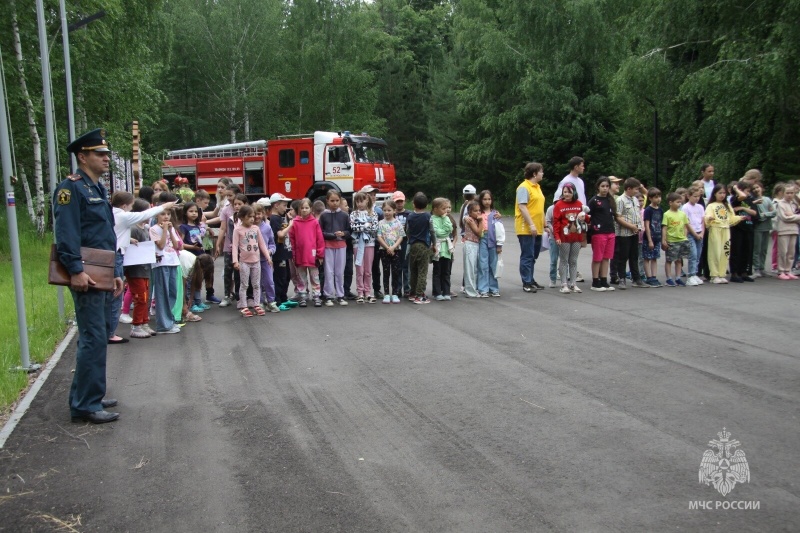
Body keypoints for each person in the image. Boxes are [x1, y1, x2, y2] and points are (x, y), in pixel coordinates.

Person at [53, 129, 122, 424]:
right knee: (93, 337)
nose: (106, 158)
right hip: (87, 274)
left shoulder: (97, 189)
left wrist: (116, 271)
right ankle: (85, 404)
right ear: (82, 157)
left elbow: (105, 234)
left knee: (99, 334)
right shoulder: (71, 189)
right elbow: (67, 234)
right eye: (99, 154)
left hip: (103, 271)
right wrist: (76, 270)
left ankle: (90, 393)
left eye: (106, 154)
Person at [111, 192, 175, 342]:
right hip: (135, 267)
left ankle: (143, 322)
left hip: (144, 266)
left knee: (145, 297)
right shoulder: (128, 222)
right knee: (139, 297)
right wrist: (164, 206)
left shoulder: (142, 228)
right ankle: (136, 325)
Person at [233, 205, 272, 316]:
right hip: (244, 262)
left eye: (253, 216)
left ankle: (256, 304)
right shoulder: (238, 230)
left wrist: (268, 258)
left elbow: (262, 244)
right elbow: (235, 246)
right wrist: (235, 261)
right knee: (244, 284)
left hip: (256, 261)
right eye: (249, 216)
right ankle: (244, 306)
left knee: (256, 284)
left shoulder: (256, 228)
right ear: (242, 217)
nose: (252, 219)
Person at [150, 205, 183, 332]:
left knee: (172, 292)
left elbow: (176, 246)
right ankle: (163, 325)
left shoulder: (171, 228)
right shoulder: (153, 229)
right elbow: (161, 245)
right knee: (162, 293)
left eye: (168, 214)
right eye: (163, 214)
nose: (166, 216)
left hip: (173, 261)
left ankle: (169, 320)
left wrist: (170, 231)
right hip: (161, 263)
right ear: (157, 216)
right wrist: (164, 230)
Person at [515, 162, 546, 292]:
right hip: (527, 228)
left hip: (538, 228)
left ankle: (531, 279)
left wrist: (545, 224)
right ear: (534, 173)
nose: (542, 174)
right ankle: (526, 282)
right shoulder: (524, 187)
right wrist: (531, 224)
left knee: (534, 255)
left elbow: (539, 208)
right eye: (541, 171)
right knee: (527, 255)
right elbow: (522, 207)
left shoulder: (537, 187)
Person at [289, 198, 325, 307]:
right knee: (301, 277)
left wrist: (320, 254)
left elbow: (319, 239)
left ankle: (316, 296)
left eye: (307, 208)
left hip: (312, 255)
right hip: (300, 255)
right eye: (302, 208)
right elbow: (292, 239)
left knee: (315, 277)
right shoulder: (295, 223)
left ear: (311, 209)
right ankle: (303, 295)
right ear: (299, 209)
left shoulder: (314, 222)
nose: (304, 210)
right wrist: (293, 254)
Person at [614, 178, 649, 289]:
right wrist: (630, 226)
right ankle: (622, 279)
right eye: (635, 189)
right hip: (624, 233)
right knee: (623, 256)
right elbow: (618, 217)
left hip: (635, 232)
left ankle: (636, 279)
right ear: (628, 189)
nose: (637, 191)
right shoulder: (620, 200)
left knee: (634, 256)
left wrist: (637, 227)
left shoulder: (635, 199)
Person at [704, 184, 742, 284]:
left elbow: (731, 218)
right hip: (715, 229)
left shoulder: (727, 205)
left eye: (724, 193)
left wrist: (740, 218)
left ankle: (721, 273)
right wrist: (709, 218)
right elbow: (707, 216)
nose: (722, 195)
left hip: (726, 230)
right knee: (715, 252)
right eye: (720, 193)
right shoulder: (711, 205)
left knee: (725, 252)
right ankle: (714, 275)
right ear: (715, 194)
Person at [552, 183, 586, 294]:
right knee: (564, 260)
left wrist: (585, 217)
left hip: (576, 237)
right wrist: (557, 236)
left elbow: (585, 220)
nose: (566, 194)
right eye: (565, 192)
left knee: (573, 260)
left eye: (569, 192)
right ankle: (563, 284)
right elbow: (556, 223)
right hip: (564, 238)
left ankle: (573, 283)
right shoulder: (559, 205)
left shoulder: (579, 204)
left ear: (574, 192)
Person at [319, 190, 350, 306]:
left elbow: (349, 231)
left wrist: (343, 234)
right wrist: (332, 235)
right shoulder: (324, 215)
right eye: (332, 201)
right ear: (327, 201)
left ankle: (340, 295)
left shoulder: (344, 215)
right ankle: (328, 295)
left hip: (341, 246)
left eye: (337, 200)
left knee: (339, 271)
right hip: (328, 246)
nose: (335, 203)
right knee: (328, 271)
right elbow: (320, 232)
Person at [586, 177, 616, 291]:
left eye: (607, 186)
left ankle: (604, 280)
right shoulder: (594, 201)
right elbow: (588, 215)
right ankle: (595, 281)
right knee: (597, 258)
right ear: (598, 187)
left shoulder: (610, 200)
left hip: (610, 232)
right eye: (603, 186)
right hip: (598, 232)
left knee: (606, 258)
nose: (605, 188)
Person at [406, 192, 436, 303]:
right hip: (424, 246)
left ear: (413, 204)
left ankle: (412, 292)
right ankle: (420, 295)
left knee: (413, 270)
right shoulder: (428, 216)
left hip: (413, 245)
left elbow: (407, 230)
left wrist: (410, 239)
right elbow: (432, 231)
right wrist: (434, 244)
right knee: (422, 271)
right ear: (427, 205)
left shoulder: (410, 216)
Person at [350, 191, 379, 303]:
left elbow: (374, 228)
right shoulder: (353, 214)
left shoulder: (373, 213)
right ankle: (360, 292)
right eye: (357, 201)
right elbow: (353, 227)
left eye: (362, 201)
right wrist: (366, 225)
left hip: (369, 244)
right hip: (357, 243)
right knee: (359, 269)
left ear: (367, 200)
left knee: (368, 270)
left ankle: (367, 292)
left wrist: (362, 225)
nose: (359, 203)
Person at [377, 200, 405, 303]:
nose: (387, 212)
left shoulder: (398, 223)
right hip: (384, 251)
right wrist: (387, 247)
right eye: (385, 210)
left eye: (389, 210)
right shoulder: (381, 223)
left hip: (396, 251)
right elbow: (379, 236)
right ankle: (386, 294)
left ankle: (395, 293)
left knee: (396, 272)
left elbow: (401, 236)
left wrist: (393, 247)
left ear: (394, 211)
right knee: (386, 272)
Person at [729, 181, 758, 282]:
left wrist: (742, 208)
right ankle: (734, 273)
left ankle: (744, 272)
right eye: (746, 191)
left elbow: (754, 212)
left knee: (747, 251)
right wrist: (736, 189)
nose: (748, 193)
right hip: (738, 227)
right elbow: (741, 196)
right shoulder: (736, 199)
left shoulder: (749, 199)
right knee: (737, 250)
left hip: (748, 227)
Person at [660, 192, 691, 287]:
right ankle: (668, 278)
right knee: (669, 260)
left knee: (679, 260)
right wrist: (664, 240)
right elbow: (664, 228)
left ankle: (678, 277)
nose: (679, 204)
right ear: (670, 203)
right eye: (677, 202)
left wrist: (685, 236)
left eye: (680, 202)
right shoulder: (667, 214)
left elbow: (686, 226)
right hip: (671, 240)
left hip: (681, 240)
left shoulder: (682, 214)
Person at [253, 202, 279, 312]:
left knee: (269, 281)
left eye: (259, 214)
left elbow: (272, 244)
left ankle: (271, 301)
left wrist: (270, 251)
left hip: (266, 260)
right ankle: (259, 302)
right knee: (256, 282)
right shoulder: (249, 228)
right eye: (254, 214)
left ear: (263, 214)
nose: (256, 216)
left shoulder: (267, 228)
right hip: (253, 260)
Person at [268, 192, 293, 304]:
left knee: (287, 276)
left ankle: (283, 297)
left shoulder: (280, 218)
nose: (286, 208)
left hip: (284, 252)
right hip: (278, 254)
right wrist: (291, 225)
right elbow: (280, 235)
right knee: (280, 277)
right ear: (276, 205)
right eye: (284, 205)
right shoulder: (274, 219)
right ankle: (277, 299)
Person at [476, 190, 502, 297]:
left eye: (489, 199)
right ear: (481, 200)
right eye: (485, 199)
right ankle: (483, 288)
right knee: (483, 264)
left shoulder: (495, 214)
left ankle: (494, 288)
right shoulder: (478, 213)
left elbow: (500, 231)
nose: (487, 201)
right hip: (482, 238)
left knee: (493, 264)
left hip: (493, 240)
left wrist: (499, 244)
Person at [682, 186, 706, 286]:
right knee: (693, 254)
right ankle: (690, 275)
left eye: (699, 196)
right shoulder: (685, 207)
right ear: (688, 196)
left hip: (700, 233)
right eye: (694, 196)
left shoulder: (700, 207)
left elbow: (703, 221)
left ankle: (695, 273)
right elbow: (687, 223)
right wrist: (695, 234)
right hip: (691, 234)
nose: (697, 198)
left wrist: (702, 233)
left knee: (698, 255)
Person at [431, 198, 455, 300]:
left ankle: (446, 292)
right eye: (443, 208)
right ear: (435, 209)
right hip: (438, 248)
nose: (446, 210)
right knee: (437, 271)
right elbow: (438, 232)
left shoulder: (446, 218)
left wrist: (445, 219)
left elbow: (450, 229)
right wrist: (444, 231)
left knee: (446, 271)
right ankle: (437, 292)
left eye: (447, 208)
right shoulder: (432, 219)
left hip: (447, 249)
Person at [775, 185, 800, 279]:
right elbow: (785, 218)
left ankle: (788, 270)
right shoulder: (780, 204)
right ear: (783, 193)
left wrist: (793, 216)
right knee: (783, 251)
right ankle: (781, 271)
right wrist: (795, 217)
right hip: (783, 230)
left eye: (792, 193)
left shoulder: (794, 204)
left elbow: (794, 218)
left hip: (794, 230)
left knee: (791, 252)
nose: (790, 195)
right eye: (787, 193)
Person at [642, 188, 664, 287]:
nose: (658, 199)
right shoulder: (648, 210)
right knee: (647, 257)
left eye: (659, 197)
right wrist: (649, 240)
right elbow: (647, 225)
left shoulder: (660, 210)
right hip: (649, 238)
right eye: (656, 197)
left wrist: (663, 238)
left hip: (657, 237)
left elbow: (662, 224)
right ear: (650, 198)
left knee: (654, 257)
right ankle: (649, 277)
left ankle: (654, 276)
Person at [393, 191, 412, 297]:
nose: (399, 204)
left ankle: (407, 288)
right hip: (394, 242)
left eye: (401, 201)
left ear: (404, 201)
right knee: (397, 266)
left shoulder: (408, 214)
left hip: (405, 241)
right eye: (397, 202)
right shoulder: (392, 213)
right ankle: (398, 288)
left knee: (405, 266)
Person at [462, 200, 482, 297]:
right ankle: (470, 291)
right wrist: (482, 221)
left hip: (476, 245)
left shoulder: (476, 219)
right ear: (469, 212)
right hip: (470, 244)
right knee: (469, 269)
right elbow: (478, 232)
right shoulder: (469, 220)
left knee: (475, 269)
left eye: (479, 210)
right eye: (475, 211)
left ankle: (474, 288)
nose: (478, 212)